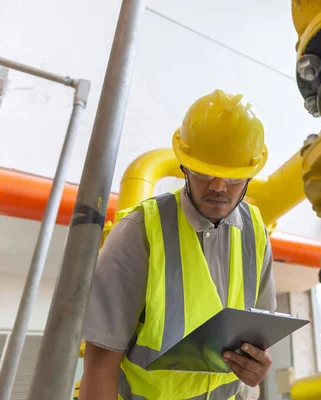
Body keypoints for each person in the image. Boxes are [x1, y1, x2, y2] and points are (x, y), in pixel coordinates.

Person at [79, 89, 277, 400]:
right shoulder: (140, 231)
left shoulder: (256, 234)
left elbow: (258, 347)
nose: (218, 186)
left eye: (233, 177)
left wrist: (255, 369)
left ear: (251, 174)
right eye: (204, 172)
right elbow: (99, 369)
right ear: (183, 165)